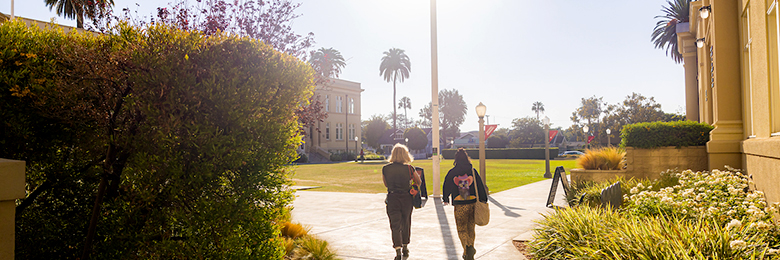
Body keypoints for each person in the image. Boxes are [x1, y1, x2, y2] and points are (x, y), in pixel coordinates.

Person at [442, 148, 487, 260]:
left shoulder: (452, 172)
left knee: (461, 228)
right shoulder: (472, 171)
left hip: (460, 204)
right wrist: (483, 199)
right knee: (470, 227)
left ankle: (466, 248)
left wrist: (445, 197)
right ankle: (471, 246)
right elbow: (480, 186)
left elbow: (446, 185)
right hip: (472, 203)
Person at [382, 143, 421, 260]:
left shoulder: (385, 168)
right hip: (406, 198)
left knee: (395, 224)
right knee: (406, 222)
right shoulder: (409, 168)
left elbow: (386, 184)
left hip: (393, 197)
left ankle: (397, 250)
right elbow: (418, 182)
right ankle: (405, 246)